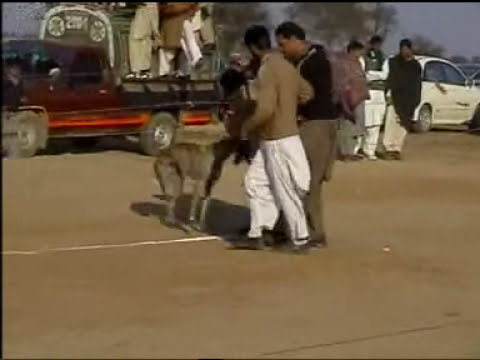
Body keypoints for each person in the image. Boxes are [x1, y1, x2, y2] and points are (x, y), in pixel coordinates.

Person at [232, 25, 314, 253]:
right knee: (255, 182)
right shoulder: (287, 67)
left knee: (285, 189)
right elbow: (307, 93)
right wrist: (289, 108)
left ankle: (300, 238)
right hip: (279, 137)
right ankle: (259, 231)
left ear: (251, 48)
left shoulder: (268, 69)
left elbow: (266, 109)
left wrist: (246, 128)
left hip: (277, 139)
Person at [274, 21, 339, 248]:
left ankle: (312, 232)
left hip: (316, 126)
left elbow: (309, 97)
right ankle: (297, 228)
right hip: (318, 125)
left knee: (307, 181)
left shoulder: (314, 63)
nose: (281, 49)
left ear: (294, 40)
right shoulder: (310, 60)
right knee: (303, 179)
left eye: (283, 44)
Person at [380, 38, 422, 160]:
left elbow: (417, 84)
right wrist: (388, 93)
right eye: (402, 49)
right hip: (395, 97)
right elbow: (390, 79)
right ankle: (388, 148)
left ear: (410, 49)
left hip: (408, 99)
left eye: (406, 49)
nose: (404, 52)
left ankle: (397, 149)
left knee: (403, 125)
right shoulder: (394, 62)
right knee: (391, 123)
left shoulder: (415, 66)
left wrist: (416, 100)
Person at [337, 40, 370, 161]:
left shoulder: (358, 63)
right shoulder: (343, 63)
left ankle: (351, 152)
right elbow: (341, 82)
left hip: (359, 98)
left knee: (357, 126)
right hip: (347, 99)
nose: (360, 53)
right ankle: (345, 153)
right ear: (352, 50)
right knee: (346, 125)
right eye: (358, 51)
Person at [359, 35, 387, 160]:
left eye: (378, 44)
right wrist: (377, 75)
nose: (376, 47)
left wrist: (373, 74)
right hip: (367, 92)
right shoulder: (363, 57)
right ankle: (359, 148)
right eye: (374, 44)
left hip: (380, 93)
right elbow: (364, 74)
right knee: (365, 121)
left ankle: (370, 150)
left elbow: (385, 74)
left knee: (376, 123)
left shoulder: (383, 58)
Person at [158, 3, 202, 77]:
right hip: (171, 23)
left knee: (185, 48)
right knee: (168, 51)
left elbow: (194, 8)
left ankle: (191, 63)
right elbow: (165, 9)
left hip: (182, 21)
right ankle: (164, 72)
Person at [127, 2, 160, 79]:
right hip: (138, 20)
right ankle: (135, 70)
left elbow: (154, 18)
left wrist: (156, 33)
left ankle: (145, 71)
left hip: (145, 24)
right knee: (134, 47)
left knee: (144, 47)